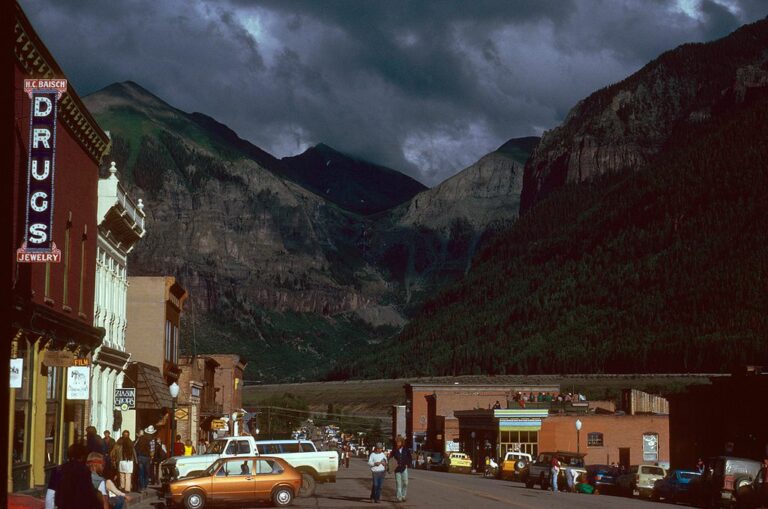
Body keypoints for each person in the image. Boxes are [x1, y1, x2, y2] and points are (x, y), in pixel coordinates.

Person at [389, 436, 412, 502]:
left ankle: (403, 495)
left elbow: (409, 458)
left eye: (399, 442)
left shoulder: (406, 450)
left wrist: (407, 464)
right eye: (397, 442)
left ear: (402, 442)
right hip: (397, 469)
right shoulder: (394, 450)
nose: (397, 443)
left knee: (406, 483)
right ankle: (399, 497)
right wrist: (391, 466)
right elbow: (390, 458)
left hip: (404, 468)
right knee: (398, 483)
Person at [135, 426, 155, 491]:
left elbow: (135, 446)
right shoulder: (152, 440)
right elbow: (152, 451)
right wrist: (151, 458)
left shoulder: (140, 438)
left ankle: (141, 486)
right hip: (147, 458)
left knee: (141, 472)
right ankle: (145, 485)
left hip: (140, 457)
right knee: (146, 472)